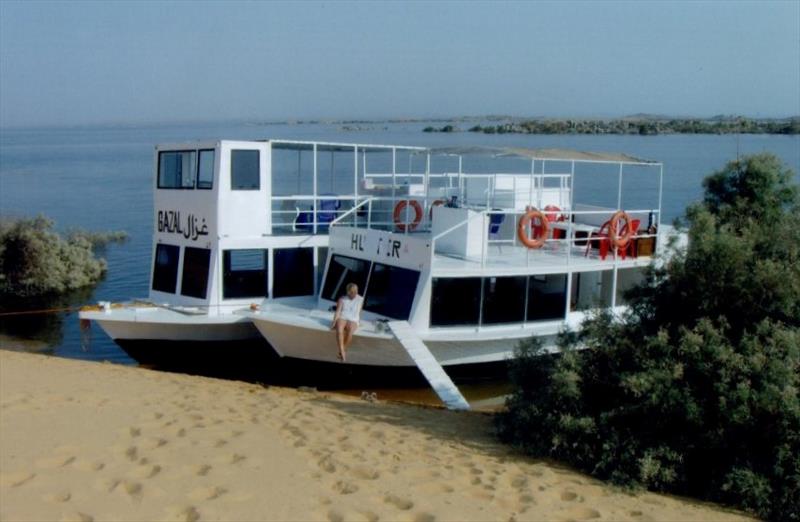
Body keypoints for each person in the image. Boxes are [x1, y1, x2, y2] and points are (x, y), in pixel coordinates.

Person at [331, 283, 363, 362]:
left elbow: (359, 312)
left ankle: (343, 350)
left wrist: (358, 321)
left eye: (355, 291)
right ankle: (342, 351)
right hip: (343, 316)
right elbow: (338, 312)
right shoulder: (342, 299)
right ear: (348, 292)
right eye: (352, 292)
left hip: (353, 319)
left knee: (350, 331)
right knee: (339, 330)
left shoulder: (360, 299)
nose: (354, 293)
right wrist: (334, 322)